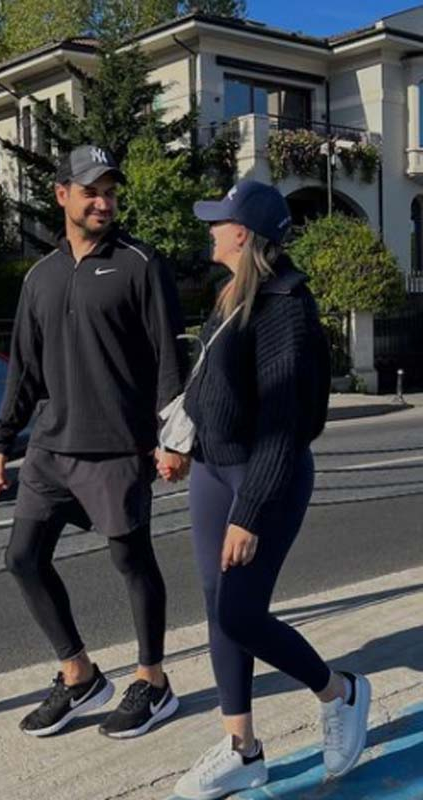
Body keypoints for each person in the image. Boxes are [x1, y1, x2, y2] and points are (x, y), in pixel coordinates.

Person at [159, 180, 371, 798]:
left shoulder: (286, 308)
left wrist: (249, 513)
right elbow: (209, 387)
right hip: (211, 469)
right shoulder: (230, 297)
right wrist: (181, 443)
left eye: (217, 221)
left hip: (263, 479)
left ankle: (340, 691)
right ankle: (242, 749)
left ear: (243, 233)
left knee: (240, 612)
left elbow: (285, 424)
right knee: (215, 608)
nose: (210, 229)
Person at [0, 145, 189, 739]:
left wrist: (173, 438)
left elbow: (168, 359)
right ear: (63, 195)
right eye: (91, 191)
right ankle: (78, 675)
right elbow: (24, 368)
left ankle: (152, 681)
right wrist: (1, 439)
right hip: (50, 448)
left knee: (131, 560)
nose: (103, 201)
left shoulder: (138, 263)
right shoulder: (40, 277)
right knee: (22, 559)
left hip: (117, 448)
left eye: (110, 192)